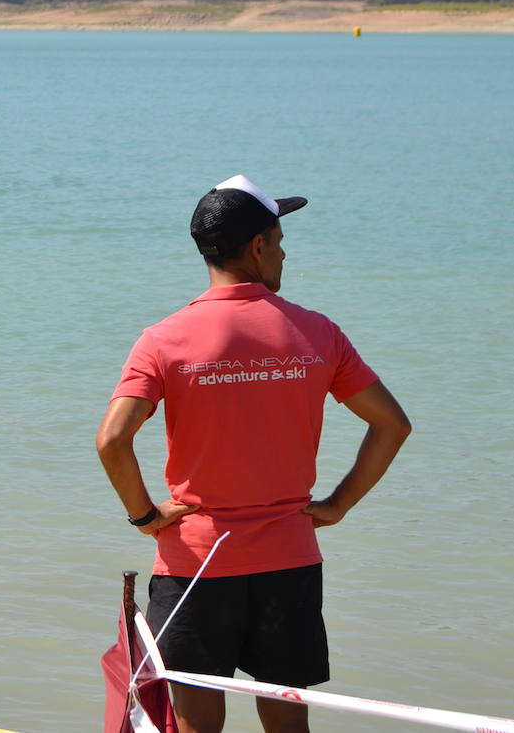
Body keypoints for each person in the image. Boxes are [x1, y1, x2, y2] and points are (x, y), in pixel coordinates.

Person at [95, 174, 411, 733]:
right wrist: (338, 505)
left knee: (197, 723)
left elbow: (113, 439)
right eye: (281, 241)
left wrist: (146, 516)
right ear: (259, 246)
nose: (284, 254)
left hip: (195, 561)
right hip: (288, 557)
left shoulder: (163, 338)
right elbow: (391, 425)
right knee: (287, 721)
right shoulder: (317, 332)